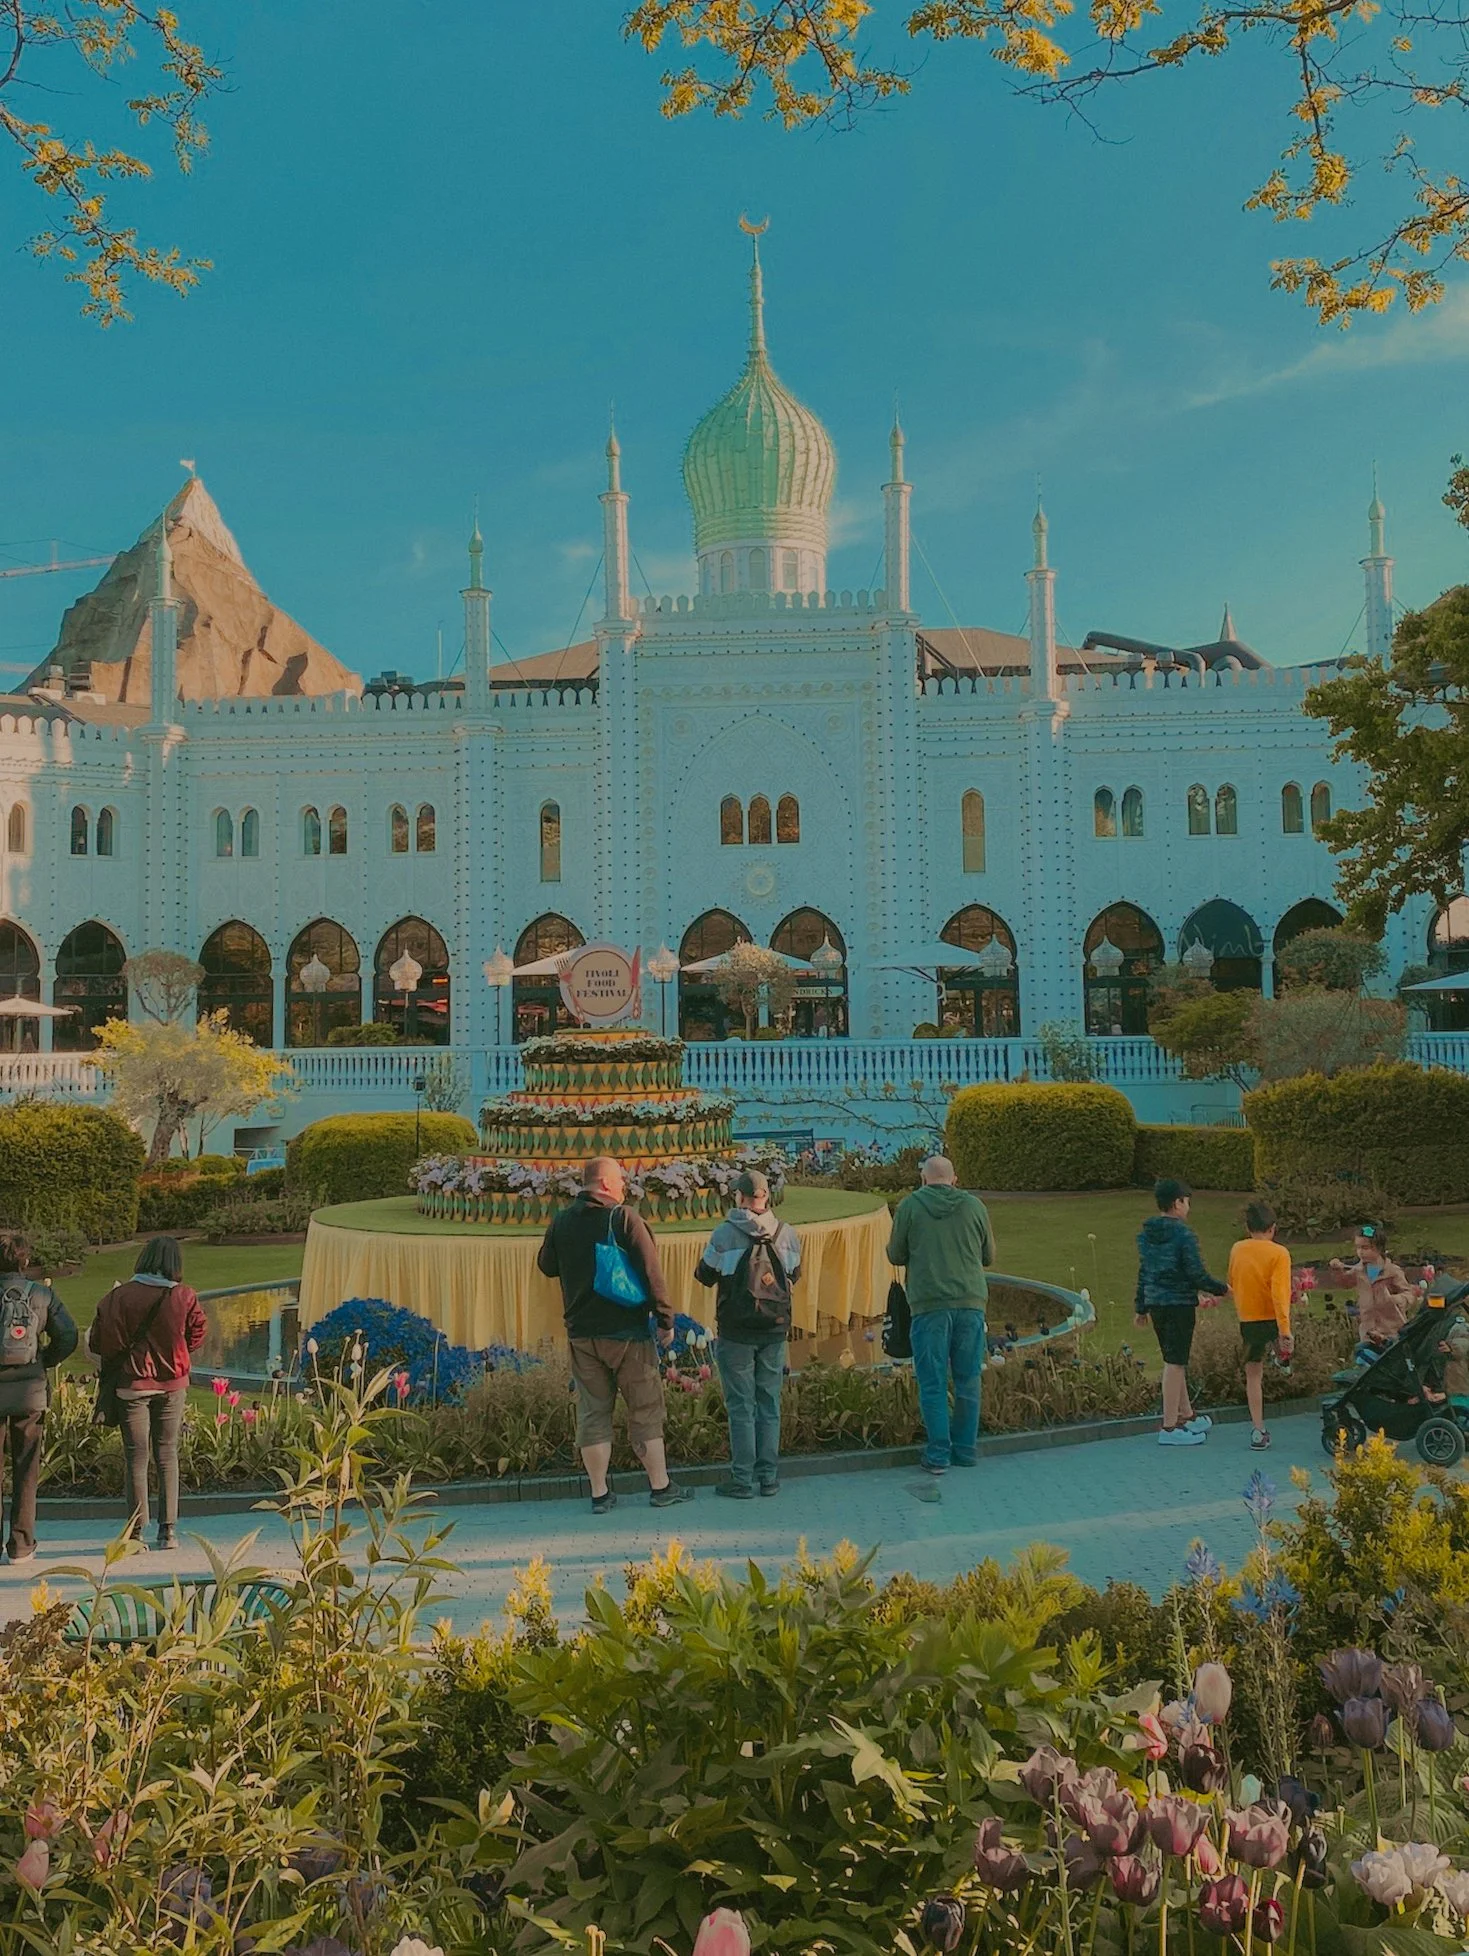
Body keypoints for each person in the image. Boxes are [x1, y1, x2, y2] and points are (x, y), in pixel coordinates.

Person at [537, 1157, 693, 1514]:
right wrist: (665, 1319)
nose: (624, 1187)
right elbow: (651, 1271)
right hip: (627, 1334)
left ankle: (599, 1494)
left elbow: (547, 1266)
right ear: (605, 1184)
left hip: (582, 1333)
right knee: (645, 1409)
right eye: (620, 1181)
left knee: (593, 1412)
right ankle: (660, 1487)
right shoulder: (623, 1217)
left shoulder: (561, 1221)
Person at [88, 1235, 207, 1549]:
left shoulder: (118, 1297)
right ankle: (168, 1531)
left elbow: (99, 1343)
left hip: (131, 1384)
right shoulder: (184, 1295)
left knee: (135, 1458)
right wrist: (179, 1351)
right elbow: (197, 1333)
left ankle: (136, 1531)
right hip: (172, 1383)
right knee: (167, 1453)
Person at [695, 1169, 802, 1499]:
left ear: (738, 1197)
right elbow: (794, 1276)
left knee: (741, 1406)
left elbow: (704, 1275)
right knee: (768, 1402)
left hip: (737, 1331)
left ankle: (742, 1479)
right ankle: (768, 1478)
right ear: (766, 1197)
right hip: (773, 1329)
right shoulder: (787, 1233)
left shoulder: (724, 1234)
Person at [886, 1155, 995, 1475]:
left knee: (932, 1382)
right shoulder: (975, 1207)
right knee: (968, 1379)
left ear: (923, 1179)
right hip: (971, 1302)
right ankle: (966, 1450)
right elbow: (988, 1256)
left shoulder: (909, 1206)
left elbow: (896, 1254)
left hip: (929, 1304)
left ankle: (937, 1455)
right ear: (955, 1179)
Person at [0, 1231, 78, 1563]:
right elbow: (68, 1335)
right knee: (26, 1467)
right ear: (25, 1260)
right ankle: (21, 1544)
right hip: (30, 1391)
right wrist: (44, 1360)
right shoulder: (42, 1295)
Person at [1134, 1178, 1229, 1447]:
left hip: (1156, 1304)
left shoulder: (1147, 1235)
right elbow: (1195, 1272)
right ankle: (1169, 1426)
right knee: (1174, 1363)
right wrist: (1221, 1289)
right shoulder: (1184, 1235)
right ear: (1177, 1203)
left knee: (1175, 1358)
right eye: (1187, 1202)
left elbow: (1144, 1272)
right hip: (1178, 1304)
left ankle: (1187, 1415)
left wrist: (1141, 1307)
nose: (1188, 1207)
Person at [1227, 1200, 1294, 1452]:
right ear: (1273, 1228)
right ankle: (1283, 1357)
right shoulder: (1279, 1254)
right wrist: (1285, 1329)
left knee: (1253, 1374)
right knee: (1282, 1347)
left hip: (1249, 1318)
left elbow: (1232, 1278)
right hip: (1273, 1317)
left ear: (1247, 1226)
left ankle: (1258, 1429)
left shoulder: (1237, 1249)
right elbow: (1280, 1293)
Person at [1330, 1224, 1417, 1359]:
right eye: (1358, 1248)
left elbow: (1409, 1294)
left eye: (1365, 1248)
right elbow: (1345, 1283)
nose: (1361, 1252)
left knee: (1390, 1362)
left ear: (1379, 1249)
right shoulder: (1359, 1271)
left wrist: (1395, 1299)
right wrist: (1338, 1271)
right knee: (1366, 1362)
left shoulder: (1392, 1271)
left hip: (1391, 1330)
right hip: (1368, 1331)